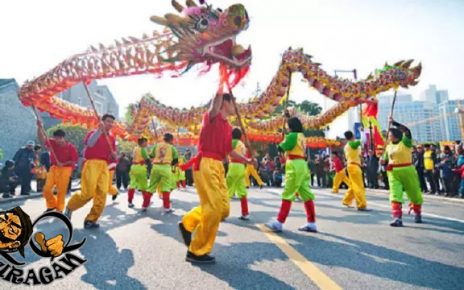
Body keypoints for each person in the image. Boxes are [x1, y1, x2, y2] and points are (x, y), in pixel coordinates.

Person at [178, 92, 250, 264]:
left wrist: (247, 159)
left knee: (223, 209)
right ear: (224, 102)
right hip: (205, 163)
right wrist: (223, 75)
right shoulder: (212, 117)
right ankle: (196, 250)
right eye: (233, 101)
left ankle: (188, 222)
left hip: (218, 166)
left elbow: (228, 150)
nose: (236, 106)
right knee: (214, 207)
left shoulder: (227, 127)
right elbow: (214, 104)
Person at [265, 117, 318, 233]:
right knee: (306, 194)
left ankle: (279, 222)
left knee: (288, 193)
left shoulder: (292, 136)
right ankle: (312, 222)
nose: (287, 128)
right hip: (302, 165)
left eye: (288, 126)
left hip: (294, 165)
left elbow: (281, 147)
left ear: (291, 126)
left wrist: (282, 140)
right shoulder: (302, 137)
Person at [64, 114, 117, 229]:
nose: (110, 124)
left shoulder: (112, 138)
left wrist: (113, 155)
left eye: (112, 122)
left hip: (104, 166)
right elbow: (90, 143)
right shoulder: (93, 133)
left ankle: (91, 219)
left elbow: (113, 156)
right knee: (88, 193)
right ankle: (70, 207)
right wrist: (99, 130)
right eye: (108, 121)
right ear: (102, 122)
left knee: (102, 194)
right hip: (91, 163)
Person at [382, 117, 423, 227]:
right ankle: (397, 218)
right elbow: (385, 159)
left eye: (390, 134)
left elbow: (407, 131)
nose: (388, 136)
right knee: (395, 195)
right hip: (393, 172)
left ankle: (418, 212)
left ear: (395, 135)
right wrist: (383, 161)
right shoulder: (388, 147)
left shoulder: (405, 142)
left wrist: (394, 123)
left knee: (414, 194)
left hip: (407, 170)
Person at [37, 126, 78, 213]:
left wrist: (63, 164)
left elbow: (74, 160)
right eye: (55, 138)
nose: (56, 140)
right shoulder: (52, 142)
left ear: (63, 138)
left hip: (66, 169)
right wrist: (39, 128)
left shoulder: (71, 147)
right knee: (46, 188)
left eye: (58, 138)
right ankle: (51, 205)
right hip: (54, 167)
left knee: (61, 190)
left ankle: (59, 208)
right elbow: (41, 139)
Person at [146, 133, 178, 213]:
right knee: (166, 187)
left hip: (155, 167)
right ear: (171, 140)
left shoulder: (156, 145)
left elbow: (150, 156)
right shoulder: (172, 148)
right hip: (166, 167)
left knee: (151, 186)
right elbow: (175, 161)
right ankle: (166, 207)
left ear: (163, 138)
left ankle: (144, 205)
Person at [226, 128, 250, 220]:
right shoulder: (242, 144)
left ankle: (223, 213)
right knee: (242, 190)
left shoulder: (233, 142)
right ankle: (245, 213)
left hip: (233, 166)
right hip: (241, 167)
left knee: (227, 190)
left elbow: (228, 152)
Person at [342, 130, 368, 210]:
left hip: (351, 166)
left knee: (354, 185)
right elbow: (363, 140)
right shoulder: (352, 143)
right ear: (352, 136)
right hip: (354, 166)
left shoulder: (347, 145)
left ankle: (346, 200)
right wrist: (362, 132)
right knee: (358, 186)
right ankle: (361, 204)